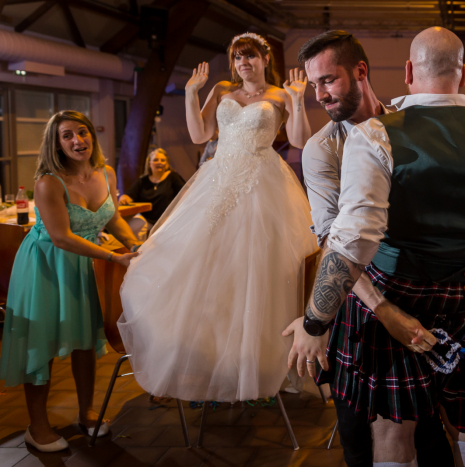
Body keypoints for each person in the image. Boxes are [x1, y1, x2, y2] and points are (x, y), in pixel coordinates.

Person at [286, 27, 465, 467]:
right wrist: (382, 311)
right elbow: (333, 240)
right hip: (378, 301)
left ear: (369, 72)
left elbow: (352, 245)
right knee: (371, 433)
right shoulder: (322, 149)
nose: (320, 94)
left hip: (431, 293)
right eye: (313, 85)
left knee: (429, 429)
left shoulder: (389, 126)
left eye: (328, 80)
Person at [117, 32, 317, 403]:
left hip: (263, 184)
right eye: (238, 57)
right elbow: (200, 134)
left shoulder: (279, 94)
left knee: (255, 272)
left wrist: (299, 100)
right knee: (202, 265)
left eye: (251, 56)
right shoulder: (223, 88)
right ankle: (207, 362)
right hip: (217, 177)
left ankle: (255, 362)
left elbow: (300, 140)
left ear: (264, 59)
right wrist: (192, 93)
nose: (244, 63)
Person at [0, 111, 140, 452]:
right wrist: (112, 256)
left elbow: (114, 218)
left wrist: (137, 245)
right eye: (67, 136)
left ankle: (87, 410)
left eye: (83, 132)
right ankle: (38, 426)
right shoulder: (49, 182)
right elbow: (61, 237)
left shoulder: (105, 172)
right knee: (42, 344)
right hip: (47, 265)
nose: (78, 140)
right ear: (56, 143)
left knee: (84, 340)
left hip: (87, 266)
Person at [118, 148, 186, 241]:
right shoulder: (143, 180)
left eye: (163, 160)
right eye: (155, 160)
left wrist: (172, 215)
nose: (159, 162)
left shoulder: (173, 177)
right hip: (147, 218)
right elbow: (128, 195)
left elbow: (185, 193)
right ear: (149, 164)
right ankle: (139, 252)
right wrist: (124, 198)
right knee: (129, 227)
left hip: (168, 217)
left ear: (166, 164)